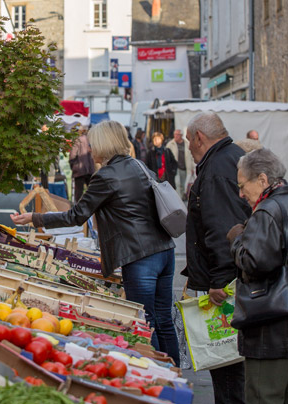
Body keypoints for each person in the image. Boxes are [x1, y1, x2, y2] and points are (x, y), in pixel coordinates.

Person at [11, 121, 180, 365]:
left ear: (103, 144)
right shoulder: (138, 165)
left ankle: (157, 377)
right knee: (163, 319)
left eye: (92, 145)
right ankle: (174, 376)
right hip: (164, 251)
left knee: (145, 323)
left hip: (139, 255)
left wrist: (35, 217)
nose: (90, 150)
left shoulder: (107, 176)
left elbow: (76, 215)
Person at [184, 111, 251, 404]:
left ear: (200, 137)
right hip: (237, 277)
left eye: (188, 140)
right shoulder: (232, 156)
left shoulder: (216, 168)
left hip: (228, 282)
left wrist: (220, 281)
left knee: (228, 362)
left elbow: (224, 228)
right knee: (234, 361)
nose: (187, 147)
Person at [227, 149, 288, 404]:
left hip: (272, 324)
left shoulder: (268, 210)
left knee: (264, 396)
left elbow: (255, 262)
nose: (240, 193)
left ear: (262, 180)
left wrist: (237, 241)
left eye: (242, 185)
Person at [166, 129, 194, 200]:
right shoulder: (170, 144)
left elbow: (192, 156)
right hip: (176, 168)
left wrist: (192, 167)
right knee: (177, 184)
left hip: (186, 167)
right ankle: (179, 199)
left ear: (181, 135)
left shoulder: (187, 143)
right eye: (175, 134)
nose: (176, 136)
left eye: (177, 134)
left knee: (185, 185)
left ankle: (184, 197)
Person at [69, 126, 95, 202]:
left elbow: (72, 155)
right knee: (91, 191)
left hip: (79, 169)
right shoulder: (89, 139)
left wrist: (72, 165)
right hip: (90, 168)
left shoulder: (77, 140)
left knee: (78, 192)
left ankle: (78, 210)